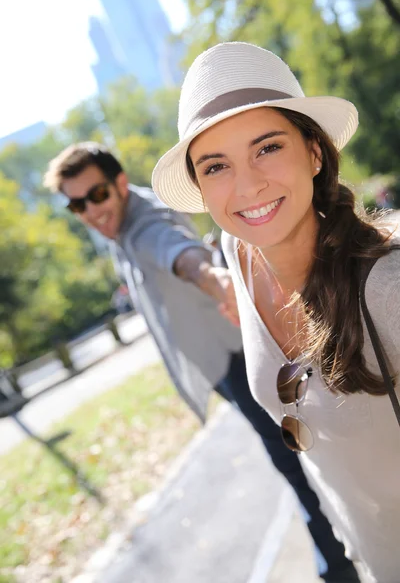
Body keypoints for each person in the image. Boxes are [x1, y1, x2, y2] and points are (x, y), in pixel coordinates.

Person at [44, 143, 359, 582]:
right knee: (295, 452)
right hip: (223, 363)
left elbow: (181, 255)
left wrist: (214, 279)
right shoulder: (119, 229)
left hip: (238, 357)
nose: (91, 211)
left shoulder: (144, 223)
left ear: (119, 184)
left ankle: (339, 563)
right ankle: (341, 549)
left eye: (96, 195)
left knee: (293, 456)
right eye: (77, 204)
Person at [152, 41, 400, 583]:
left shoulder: (389, 289)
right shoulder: (237, 251)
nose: (247, 185)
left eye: (266, 147)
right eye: (215, 165)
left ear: (315, 151)